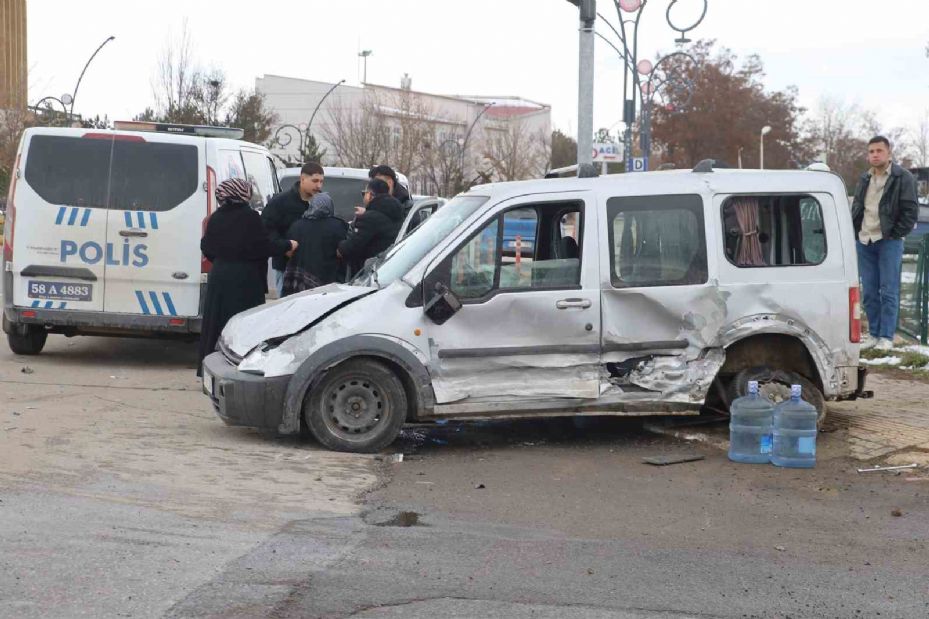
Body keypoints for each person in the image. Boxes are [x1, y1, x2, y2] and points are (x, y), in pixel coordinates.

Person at [198, 178, 297, 375]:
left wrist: (222, 260)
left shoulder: (216, 217)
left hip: (219, 276)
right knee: (244, 323)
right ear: (244, 194)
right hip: (245, 278)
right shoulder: (250, 217)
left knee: (217, 323)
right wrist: (288, 245)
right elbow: (263, 247)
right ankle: (239, 366)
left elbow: (206, 246)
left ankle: (210, 367)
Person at [851, 135, 919, 351]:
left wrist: (895, 234)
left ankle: (886, 337)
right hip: (864, 240)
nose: (875, 155)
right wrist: (854, 231)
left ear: (889, 153)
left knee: (888, 290)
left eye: (879, 151)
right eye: (871, 151)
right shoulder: (864, 178)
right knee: (869, 291)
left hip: (889, 240)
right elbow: (859, 207)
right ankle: (873, 333)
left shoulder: (903, 177)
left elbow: (910, 211)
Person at [262, 161, 324, 295]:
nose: (319, 186)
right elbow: (267, 230)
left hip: (313, 269)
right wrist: (285, 247)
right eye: (315, 181)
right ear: (302, 179)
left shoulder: (322, 203)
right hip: (285, 267)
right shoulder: (281, 202)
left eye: (321, 181)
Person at [282, 192, 349, 295]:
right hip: (328, 279)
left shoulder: (297, 225)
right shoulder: (338, 226)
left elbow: (288, 251)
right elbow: (343, 250)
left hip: (301, 281)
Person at [337, 178, 404, 275]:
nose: (363, 197)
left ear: (370, 195)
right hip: (388, 268)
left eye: (364, 193)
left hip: (369, 271)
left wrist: (339, 248)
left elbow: (352, 246)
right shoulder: (395, 212)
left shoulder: (369, 218)